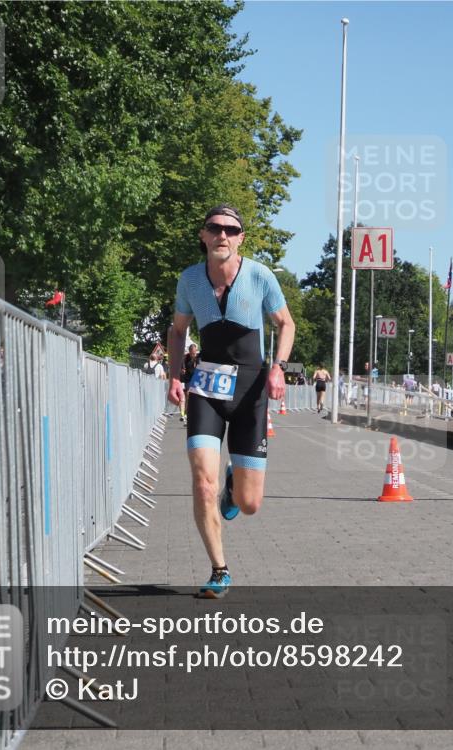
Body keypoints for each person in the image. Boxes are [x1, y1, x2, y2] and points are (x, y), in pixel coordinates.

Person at [166, 204, 293, 599]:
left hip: (251, 392)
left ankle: (235, 482)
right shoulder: (190, 280)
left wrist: (279, 367)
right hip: (205, 387)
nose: (222, 235)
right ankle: (219, 569)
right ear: (203, 235)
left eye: (230, 229)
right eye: (214, 228)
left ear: (240, 238)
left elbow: (286, 324)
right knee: (202, 482)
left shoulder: (259, 276)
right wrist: (175, 375)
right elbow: (178, 331)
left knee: (249, 503)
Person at [179, 343, 200, 422]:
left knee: (196, 396)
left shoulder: (198, 357)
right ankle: (186, 413)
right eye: (191, 353)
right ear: (189, 351)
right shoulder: (185, 358)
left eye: (194, 353)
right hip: (188, 378)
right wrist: (183, 370)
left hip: (197, 379)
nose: (193, 354)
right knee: (187, 395)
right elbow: (182, 366)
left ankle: (194, 412)